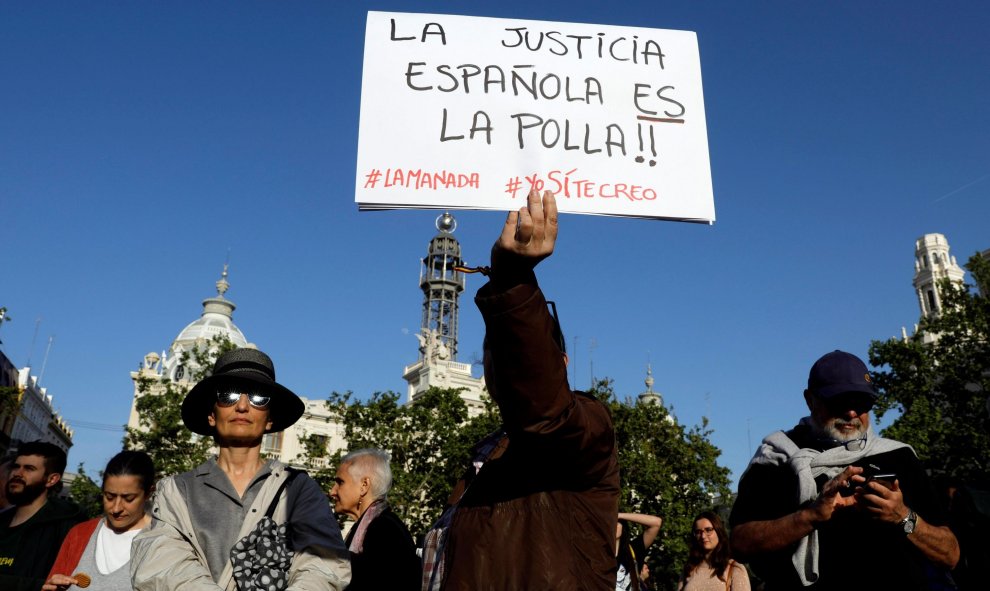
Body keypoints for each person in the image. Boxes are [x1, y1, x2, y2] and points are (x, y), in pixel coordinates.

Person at [421, 189, 620, 590]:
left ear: (558, 364)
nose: (499, 361)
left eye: (510, 351)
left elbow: (543, 410)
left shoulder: (582, 432)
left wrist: (512, 282)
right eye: (492, 351)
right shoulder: (484, 458)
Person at [729, 350, 960, 590]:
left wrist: (902, 516)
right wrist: (811, 516)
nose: (851, 413)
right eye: (839, 400)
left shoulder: (899, 456)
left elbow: (950, 554)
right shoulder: (777, 458)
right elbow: (740, 543)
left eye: (861, 403)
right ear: (810, 400)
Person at [130, 347, 351, 591]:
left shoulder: (299, 490)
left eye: (259, 397)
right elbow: (162, 563)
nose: (243, 406)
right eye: (228, 395)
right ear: (211, 415)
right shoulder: (176, 491)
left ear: (269, 420)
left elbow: (323, 564)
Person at [43, 450, 155, 591]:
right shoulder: (80, 534)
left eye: (128, 499)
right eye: (109, 496)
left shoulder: (164, 541)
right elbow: (51, 583)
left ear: (149, 493)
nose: (116, 508)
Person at [329, 448, 419, 591]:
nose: (332, 491)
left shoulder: (385, 531)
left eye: (340, 482)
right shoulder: (374, 525)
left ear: (364, 485)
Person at [0, 441, 85, 591]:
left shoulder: (66, 528)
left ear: (51, 479)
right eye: (16, 466)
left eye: (29, 469)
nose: (17, 474)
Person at [678, 511, 749, 591]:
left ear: (718, 532)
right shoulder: (688, 569)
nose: (703, 536)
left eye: (708, 530)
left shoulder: (734, 569)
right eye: (698, 532)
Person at [615, 512, 662, 591]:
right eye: (609, 522)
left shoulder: (633, 550)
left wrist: (618, 514)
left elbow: (656, 523)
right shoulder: (597, 552)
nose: (612, 524)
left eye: (616, 521)